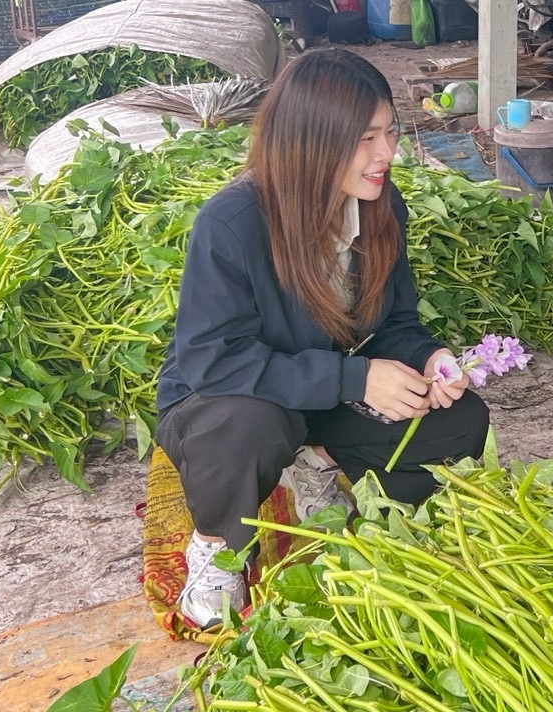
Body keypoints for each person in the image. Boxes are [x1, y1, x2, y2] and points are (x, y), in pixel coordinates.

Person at [155, 49, 490, 629]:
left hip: (320, 392)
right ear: (314, 141)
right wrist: (357, 378)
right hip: (226, 400)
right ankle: (216, 546)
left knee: (462, 423)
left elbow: (396, 322)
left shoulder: (381, 206)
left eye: (389, 133)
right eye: (366, 138)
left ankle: (317, 463)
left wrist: (427, 357)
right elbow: (213, 360)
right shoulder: (231, 224)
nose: (387, 154)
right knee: (249, 426)